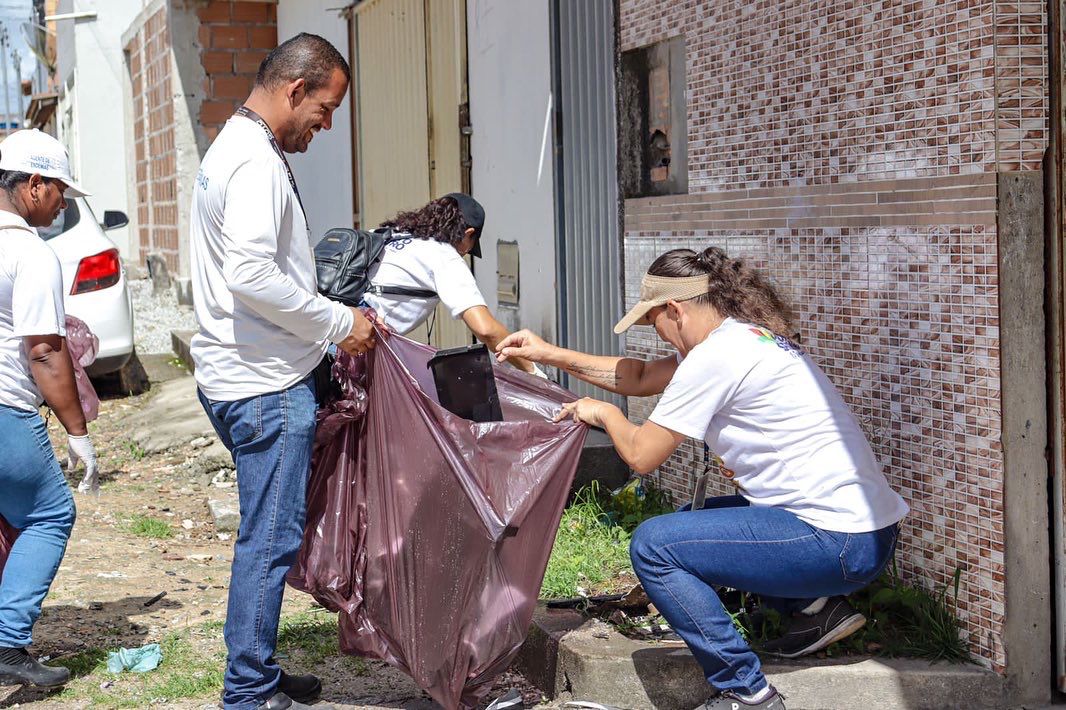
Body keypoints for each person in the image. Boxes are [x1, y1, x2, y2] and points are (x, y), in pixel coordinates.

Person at [496, 247, 909, 710]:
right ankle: (814, 609)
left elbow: (641, 456)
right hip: (864, 531)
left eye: (655, 323)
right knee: (691, 525)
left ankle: (747, 691)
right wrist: (546, 353)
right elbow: (640, 376)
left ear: (675, 310)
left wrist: (605, 414)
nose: (660, 337)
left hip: (836, 541)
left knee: (656, 546)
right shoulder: (746, 338)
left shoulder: (714, 357)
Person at [189, 33, 374, 710]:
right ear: (295, 90)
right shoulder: (255, 164)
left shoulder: (233, 146)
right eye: (324, 110)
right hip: (263, 386)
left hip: (238, 373)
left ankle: (257, 669)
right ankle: (247, 690)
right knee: (268, 541)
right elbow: (251, 276)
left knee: (268, 533)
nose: (325, 127)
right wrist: (337, 322)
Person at [0, 129, 97, 688]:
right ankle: (9, 643)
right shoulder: (29, 254)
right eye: (60, 190)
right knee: (50, 513)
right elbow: (43, 349)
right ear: (33, 184)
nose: (62, 204)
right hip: (6, 412)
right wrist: (77, 431)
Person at [362, 194, 536, 374]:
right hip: (353, 356)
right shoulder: (443, 254)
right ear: (468, 233)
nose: (465, 253)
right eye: (470, 247)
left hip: (336, 336)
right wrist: (534, 372)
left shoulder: (389, 234)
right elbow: (486, 330)